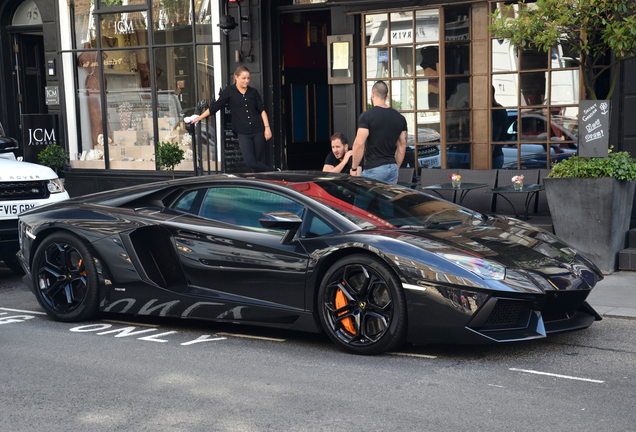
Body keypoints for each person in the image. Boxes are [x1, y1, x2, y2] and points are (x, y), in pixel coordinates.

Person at [193, 66, 273, 172]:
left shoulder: (253, 92)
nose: (246, 81)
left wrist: (267, 128)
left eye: (248, 78)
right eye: (244, 78)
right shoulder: (229, 91)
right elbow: (215, 107)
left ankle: (258, 184)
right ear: (236, 77)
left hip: (259, 130)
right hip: (243, 133)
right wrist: (199, 117)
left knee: (256, 162)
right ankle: (275, 172)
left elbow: (262, 110)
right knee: (251, 162)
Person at [350, 81, 407, 183]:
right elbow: (402, 145)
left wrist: (354, 168)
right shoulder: (400, 118)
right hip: (392, 167)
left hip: (374, 168)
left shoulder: (367, 116)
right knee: (387, 199)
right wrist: (395, 167)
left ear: (372, 94)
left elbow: (359, 144)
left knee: (359, 199)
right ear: (387, 96)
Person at [491, 86, 507, 169]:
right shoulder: (499, 110)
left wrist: (489, 154)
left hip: (494, 156)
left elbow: (496, 134)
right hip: (496, 155)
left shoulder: (497, 110)